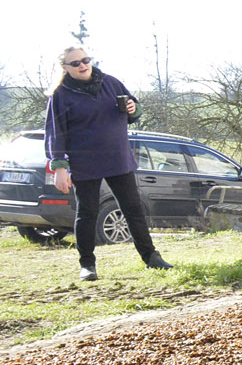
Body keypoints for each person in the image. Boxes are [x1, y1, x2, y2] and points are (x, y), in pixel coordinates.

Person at [44, 46, 172, 281]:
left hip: (118, 159)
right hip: (85, 162)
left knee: (133, 210)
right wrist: (59, 167)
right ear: (65, 68)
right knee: (87, 213)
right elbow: (55, 133)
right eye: (75, 63)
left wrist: (135, 108)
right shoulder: (60, 95)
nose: (82, 65)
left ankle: (151, 258)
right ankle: (87, 266)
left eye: (85, 60)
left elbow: (133, 110)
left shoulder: (111, 83)